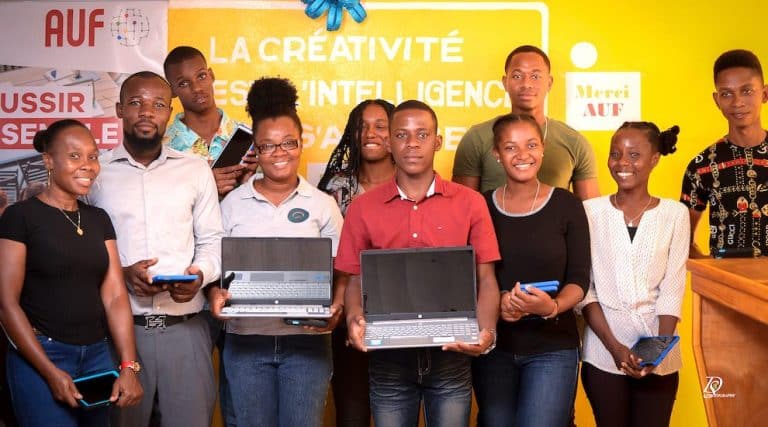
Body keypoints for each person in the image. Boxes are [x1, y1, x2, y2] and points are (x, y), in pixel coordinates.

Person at [337, 100, 501, 427]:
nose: (412, 143)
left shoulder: (470, 203)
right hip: (388, 358)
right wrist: (354, 319)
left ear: (437, 142)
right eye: (401, 135)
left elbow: (486, 279)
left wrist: (486, 332)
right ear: (389, 143)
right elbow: (354, 279)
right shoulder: (362, 207)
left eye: (422, 134)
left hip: (452, 355)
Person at [88, 72, 224, 427]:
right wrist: (120, 273)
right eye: (136, 103)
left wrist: (199, 275)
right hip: (117, 335)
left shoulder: (195, 170)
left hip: (186, 330)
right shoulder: (95, 173)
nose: (147, 112)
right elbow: (79, 248)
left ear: (170, 113)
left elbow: (213, 241)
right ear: (119, 109)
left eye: (158, 104)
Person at [207, 77, 344, 427]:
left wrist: (338, 305)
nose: (279, 153)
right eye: (268, 146)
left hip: (307, 342)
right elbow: (213, 263)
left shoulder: (323, 205)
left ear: (301, 144)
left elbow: (342, 268)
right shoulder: (231, 204)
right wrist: (213, 294)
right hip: (246, 341)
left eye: (288, 143)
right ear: (256, 149)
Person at [0, 119, 142, 427]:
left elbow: (115, 295)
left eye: (93, 156)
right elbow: (6, 303)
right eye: (75, 156)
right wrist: (49, 371)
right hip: (42, 355)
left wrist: (128, 366)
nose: (87, 165)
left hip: (98, 357)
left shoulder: (98, 219)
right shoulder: (20, 216)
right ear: (49, 161)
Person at [471, 113, 590, 427]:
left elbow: (579, 278)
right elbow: (470, 278)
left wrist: (552, 307)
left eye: (531, 145)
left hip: (553, 349)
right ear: (497, 154)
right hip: (494, 347)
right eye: (510, 147)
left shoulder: (567, 204)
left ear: (543, 148)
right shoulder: (480, 207)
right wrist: (499, 302)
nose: (522, 155)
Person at [580, 122, 688, 427]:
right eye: (615, 154)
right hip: (603, 351)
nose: (622, 163)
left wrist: (655, 351)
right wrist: (614, 348)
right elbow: (586, 289)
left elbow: (673, 288)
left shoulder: (675, 214)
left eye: (634, 155)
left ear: (654, 159)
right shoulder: (589, 212)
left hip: (658, 348)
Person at [317, 99, 396, 427]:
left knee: (396, 414)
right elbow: (325, 253)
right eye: (362, 126)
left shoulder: (412, 182)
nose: (370, 133)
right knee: (352, 413)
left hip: (399, 314)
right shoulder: (335, 187)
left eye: (381, 126)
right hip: (346, 312)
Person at [452, 45, 599, 200]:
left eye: (535, 76)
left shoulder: (574, 142)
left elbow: (590, 210)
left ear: (549, 83)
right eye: (517, 76)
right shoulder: (477, 138)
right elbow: (461, 207)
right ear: (505, 82)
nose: (526, 84)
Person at [681, 49, 768, 258]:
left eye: (747, 91)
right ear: (716, 99)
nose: (737, 102)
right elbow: (682, 240)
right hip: (724, 279)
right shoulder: (702, 166)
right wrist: (711, 269)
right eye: (727, 93)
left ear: (765, 94)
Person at [163, 45, 258, 197]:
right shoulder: (163, 149)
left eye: (201, 76)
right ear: (172, 91)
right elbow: (161, 204)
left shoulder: (249, 138)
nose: (197, 88)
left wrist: (249, 182)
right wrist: (206, 186)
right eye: (183, 83)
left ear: (211, 75)